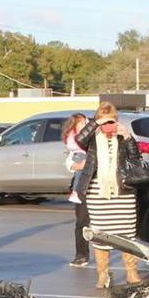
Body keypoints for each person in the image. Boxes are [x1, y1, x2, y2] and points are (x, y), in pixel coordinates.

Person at [74, 103, 143, 289]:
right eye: (105, 121)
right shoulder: (92, 138)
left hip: (123, 192)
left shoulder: (123, 136)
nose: (108, 125)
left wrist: (127, 136)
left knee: (127, 233)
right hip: (98, 192)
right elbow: (79, 140)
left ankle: (131, 271)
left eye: (111, 120)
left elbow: (136, 159)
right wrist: (96, 123)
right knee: (100, 235)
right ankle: (103, 275)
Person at [63, 113, 91, 267]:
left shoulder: (93, 137)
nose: (83, 126)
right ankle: (81, 255)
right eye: (80, 124)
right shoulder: (74, 141)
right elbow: (71, 162)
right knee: (82, 222)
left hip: (97, 184)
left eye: (84, 123)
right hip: (82, 187)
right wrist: (78, 165)